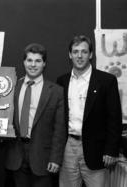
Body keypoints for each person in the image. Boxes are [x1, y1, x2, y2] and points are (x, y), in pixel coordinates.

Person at [57, 35, 123, 187]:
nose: (79, 56)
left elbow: (114, 118)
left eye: (84, 52)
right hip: (68, 148)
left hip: (96, 151)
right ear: (69, 54)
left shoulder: (107, 81)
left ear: (91, 54)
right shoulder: (62, 81)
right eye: (75, 51)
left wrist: (112, 150)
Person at [5, 43, 67, 187]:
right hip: (16, 156)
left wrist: (56, 159)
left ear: (44, 63)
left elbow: (60, 129)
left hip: (43, 158)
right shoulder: (11, 87)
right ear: (24, 62)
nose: (33, 65)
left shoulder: (56, 91)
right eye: (29, 60)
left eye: (38, 61)